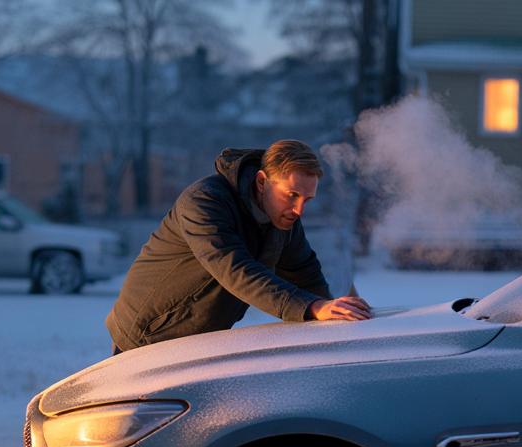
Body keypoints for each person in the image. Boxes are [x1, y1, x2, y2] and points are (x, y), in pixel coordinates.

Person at [106, 140, 371, 353]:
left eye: (306, 199)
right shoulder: (204, 202)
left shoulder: (284, 218)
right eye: (292, 195)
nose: (299, 209)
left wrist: (334, 313)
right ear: (261, 181)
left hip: (197, 342)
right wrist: (311, 307)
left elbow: (305, 273)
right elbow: (236, 271)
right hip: (146, 337)